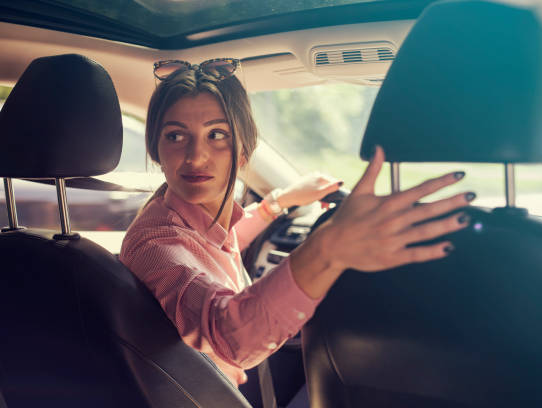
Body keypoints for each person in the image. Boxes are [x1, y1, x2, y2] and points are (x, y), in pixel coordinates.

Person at [119, 59, 475, 388]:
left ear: (244, 151)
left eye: (217, 134)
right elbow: (229, 335)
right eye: (176, 136)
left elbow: (214, 248)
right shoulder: (156, 243)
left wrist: (277, 203)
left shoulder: (179, 220)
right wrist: (327, 250)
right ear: (155, 149)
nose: (196, 156)